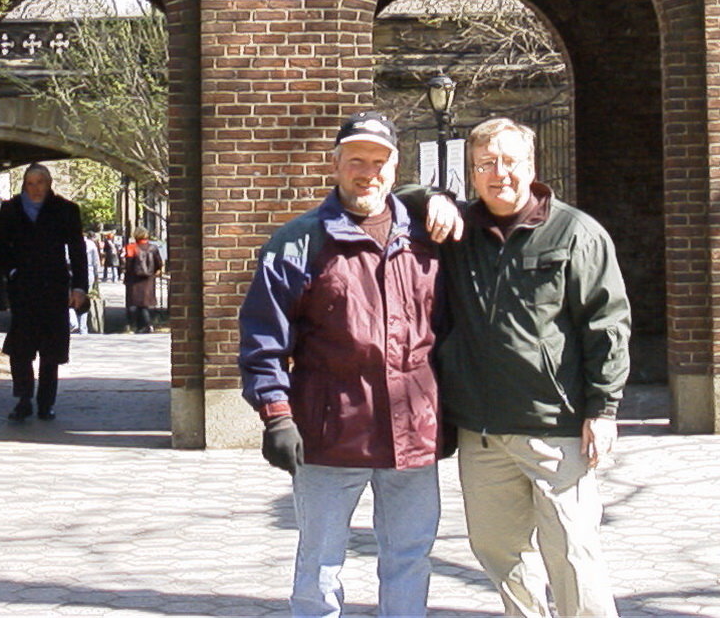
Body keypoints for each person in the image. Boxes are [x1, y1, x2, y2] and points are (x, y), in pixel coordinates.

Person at [238, 111, 450, 618]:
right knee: (321, 565)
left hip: (413, 434)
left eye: (378, 162)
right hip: (329, 434)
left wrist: (434, 197)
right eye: (356, 161)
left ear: (395, 168)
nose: (367, 173)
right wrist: (277, 416)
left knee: (409, 558)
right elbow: (263, 338)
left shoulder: (429, 239)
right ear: (335, 165)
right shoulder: (298, 244)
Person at [440, 117, 631, 618]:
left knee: (572, 552)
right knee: (499, 552)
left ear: (531, 165)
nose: (498, 173)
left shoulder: (576, 233)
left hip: (557, 429)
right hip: (482, 433)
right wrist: (430, 199)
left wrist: (604, 409)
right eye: (485, 164)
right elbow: (402, 198)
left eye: (509, 161)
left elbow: (607, 325)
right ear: (472, 172)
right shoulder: (459, 233)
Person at [0, 164, 90, 421]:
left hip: (54, 288)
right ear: (24, 185)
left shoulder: (65, 210)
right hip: (23, 289)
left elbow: (78, 251)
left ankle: (46, 402)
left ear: (49, 184)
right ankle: (23, 399)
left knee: (51, 350)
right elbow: (1, 247)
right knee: (21, 349)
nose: (36, 188)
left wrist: (79, 287)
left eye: (41, 183)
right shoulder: (11, 209)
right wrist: (11, 273)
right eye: (30, 183)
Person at [124, 227, 165, 333]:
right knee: (144, 304)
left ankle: (141, 325)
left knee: (134, 304)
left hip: (134, 279)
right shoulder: (153, 248)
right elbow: (159, 263)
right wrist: (154, 272)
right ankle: (146, 325)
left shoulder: (131, 247)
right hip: (148, 279)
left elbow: (128, 264)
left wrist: (126, 276)